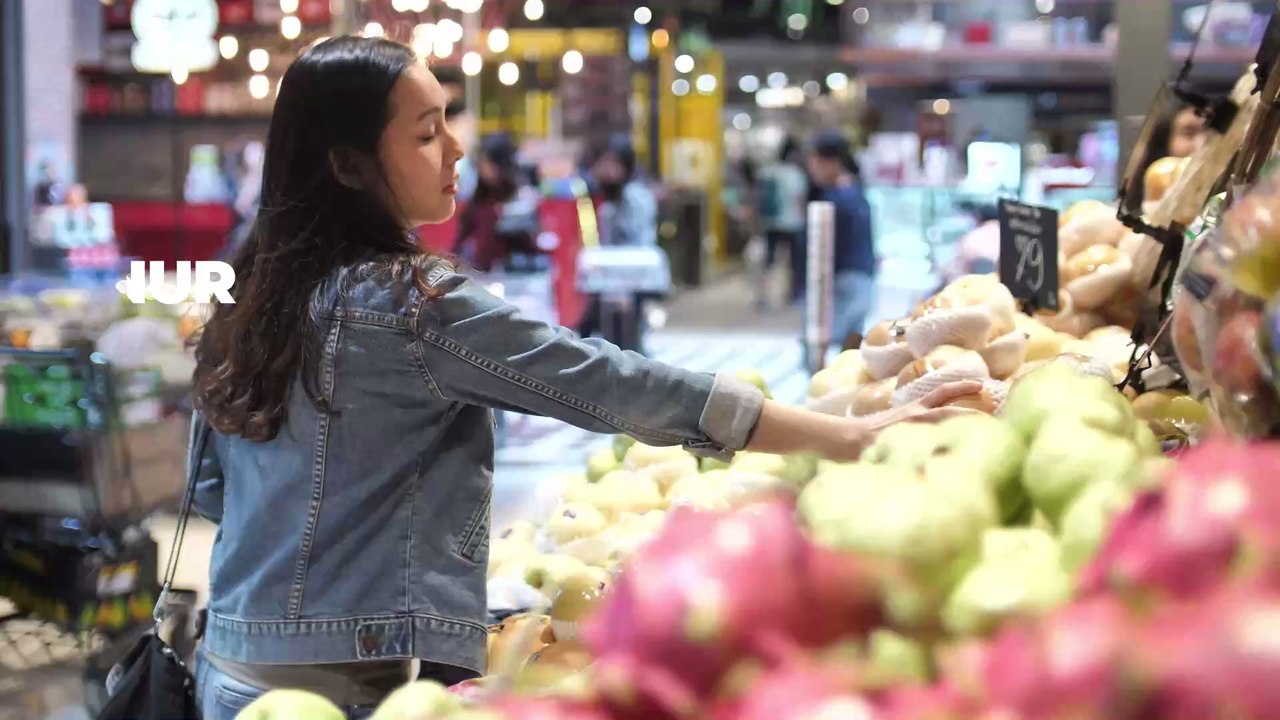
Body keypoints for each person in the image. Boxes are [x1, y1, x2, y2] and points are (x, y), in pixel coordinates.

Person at [189, 36, 980, 719]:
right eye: (427, 134)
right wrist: (849, 435)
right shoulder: (411, 305)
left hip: (227, 665)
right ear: (348, 165)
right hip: (347, 682)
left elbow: (215, 490)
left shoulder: (246, 287)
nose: (458, 149)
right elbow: (609, 383)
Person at [577, 135, 659, 352]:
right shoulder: (596, 197)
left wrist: (625, 285)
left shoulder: (636, 197)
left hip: (630, 280)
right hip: (600, 281)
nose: (607, 169)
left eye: (613, 162)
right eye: (603, 162)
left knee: (628, 339)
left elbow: (641, 241)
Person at [807, 131, 878, 351]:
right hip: (863, 277)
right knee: (850, 346)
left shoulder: (835, 200)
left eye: (816, 161)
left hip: (842, 280)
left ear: (832, 162)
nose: (812, 168)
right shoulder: (856, 191)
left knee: (823, 343)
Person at [453, 132, 540, 272]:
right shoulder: (479, 200)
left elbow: (526, 239)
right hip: (482, 273)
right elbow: (463, 237)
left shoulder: (522, 198)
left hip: (516, 272)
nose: (482, 169)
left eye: (487, 164)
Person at [758, 137, 809, 305]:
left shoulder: (768, 171)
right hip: (793, 222)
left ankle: (764, 295)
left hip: (770, 222)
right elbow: (800, 200)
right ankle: (792, 295)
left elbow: (758, 196)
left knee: (769, 260)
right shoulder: (796, 174)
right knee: (794, 262)